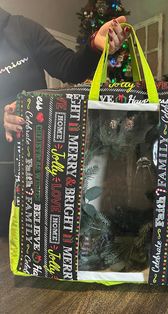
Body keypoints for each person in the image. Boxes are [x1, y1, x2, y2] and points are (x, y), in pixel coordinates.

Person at [0, 7, 128, 236]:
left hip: (40, 163)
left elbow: (70, 68)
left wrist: (95, 47)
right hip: (3, 171)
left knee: (44, 235)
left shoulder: (21, 28)